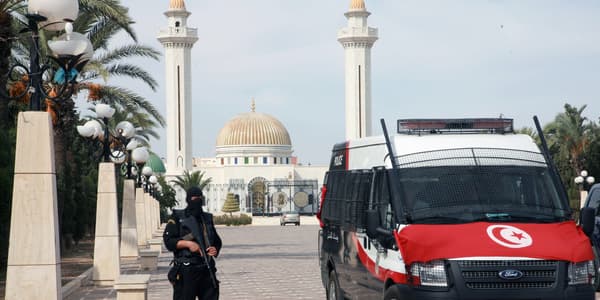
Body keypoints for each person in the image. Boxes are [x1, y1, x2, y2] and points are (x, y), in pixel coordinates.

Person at [163, 186, 222, 300]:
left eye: (199, 198)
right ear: (188, 199)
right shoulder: (177, 217)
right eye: (194, 198)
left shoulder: (206, 219)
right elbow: (169, 241)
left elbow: (216, 241)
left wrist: (215, 249)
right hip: (186, 269)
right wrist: (188, 244)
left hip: (206, 268)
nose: (197, 201)